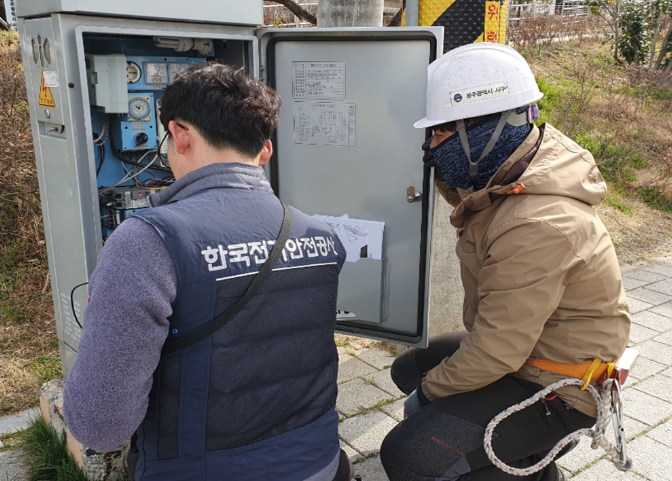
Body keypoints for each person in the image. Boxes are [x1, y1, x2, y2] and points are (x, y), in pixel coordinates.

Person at [63, 64, 354, 481]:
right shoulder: (322, 236)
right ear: (265, 151)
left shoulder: (147, 242)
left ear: (179, 134)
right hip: (320, 462)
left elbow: (100, 427)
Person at [380, 43, 631, 481]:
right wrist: (449, 174)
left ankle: (532, 464)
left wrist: (429, 397)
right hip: (530, 351)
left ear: (487, 133)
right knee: (411, 367)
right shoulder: (521, 167)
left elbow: (497, 350)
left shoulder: (539, 224)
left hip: (560, 384)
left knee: (410, 454)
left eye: (441, 133)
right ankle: (512, 449)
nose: (431, 145)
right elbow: (481, 209)